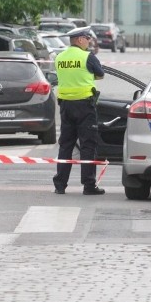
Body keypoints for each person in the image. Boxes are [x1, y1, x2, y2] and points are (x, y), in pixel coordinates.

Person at [52, 26, 106, 195]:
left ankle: (60, 185)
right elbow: (100, 74)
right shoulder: (87, 57)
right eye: (87, 39)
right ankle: (89, 185)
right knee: (88, 145)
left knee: (65, 146)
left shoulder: (59, 57)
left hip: (66, 106)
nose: (89, 42)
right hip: (85, 106)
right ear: (80, 39)